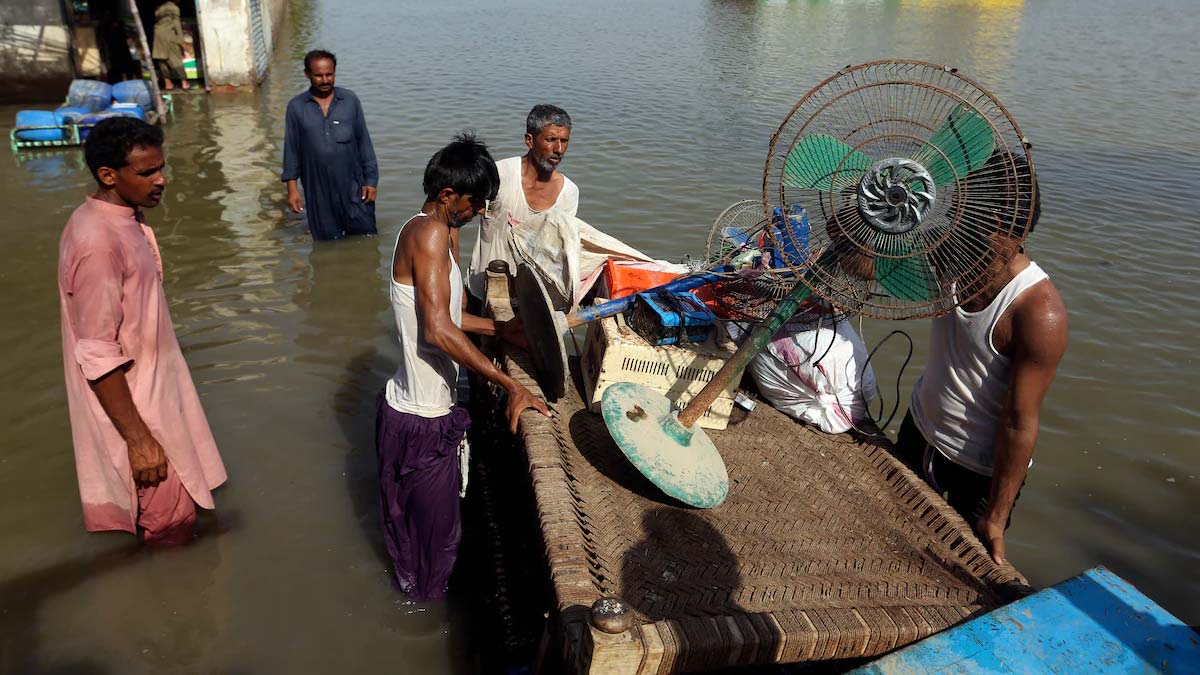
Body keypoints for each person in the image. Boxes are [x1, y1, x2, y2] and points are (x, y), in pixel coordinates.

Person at [379, 132, 549, 600]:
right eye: (476, 204)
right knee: (436, 549)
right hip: (423, 421)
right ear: (449, 194)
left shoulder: (419, 229)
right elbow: (438, 331)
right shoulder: (432, 234)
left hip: (405, 412)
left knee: (411, 542)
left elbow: (446, 317)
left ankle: (411, 607)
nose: (478, 213)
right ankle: (420, 624)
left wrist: (501, 329)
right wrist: (508, 383)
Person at [58, 117, 227, 544]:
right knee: (172, 532)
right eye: (147, 172)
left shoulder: (123, 218)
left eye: (161, 168)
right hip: (141, 416)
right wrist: (139, 441)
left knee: (180, 526)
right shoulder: (98, 243)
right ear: (108, 175)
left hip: (159, 399)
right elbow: (96, 352)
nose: (161, 179)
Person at [894, 157, 1067, 566]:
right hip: (919, 430)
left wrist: (996, 516)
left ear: (994, 222)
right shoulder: (949, 252)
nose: (952, 214)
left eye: (963, 207)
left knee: (946, 571)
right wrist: (875, 214)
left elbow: (1019, 421)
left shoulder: (1038, 311)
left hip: (977, 472)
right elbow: (865, 268)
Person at [466, 104, 578, 301]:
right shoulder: (499, 174)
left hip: (528, 300)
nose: (558, 149)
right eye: (550, 140)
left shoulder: (568, 193)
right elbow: (455, 218)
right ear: (529, 140)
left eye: (564, 141)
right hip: (480, 291)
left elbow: (560, 252)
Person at [281, 49, 379, 240]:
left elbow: (364, 143)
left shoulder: (349, 101)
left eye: (329, 74)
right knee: (326, 241)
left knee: (365, 237)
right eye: (318, 75)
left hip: (353, 186)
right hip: (317, 190)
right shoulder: (296, 107)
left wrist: (371, 181)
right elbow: (291, 150)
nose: (325, 80)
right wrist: (292, 190)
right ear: (307, 74)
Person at [151, 0, 189, 91]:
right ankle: (184, 82)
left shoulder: (159, 8)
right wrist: (181, 41)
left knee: (162, 59)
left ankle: (168, 84)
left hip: (157, 35)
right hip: (169, 36)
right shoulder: (174, 8)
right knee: (175, 58)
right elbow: (177, 25)